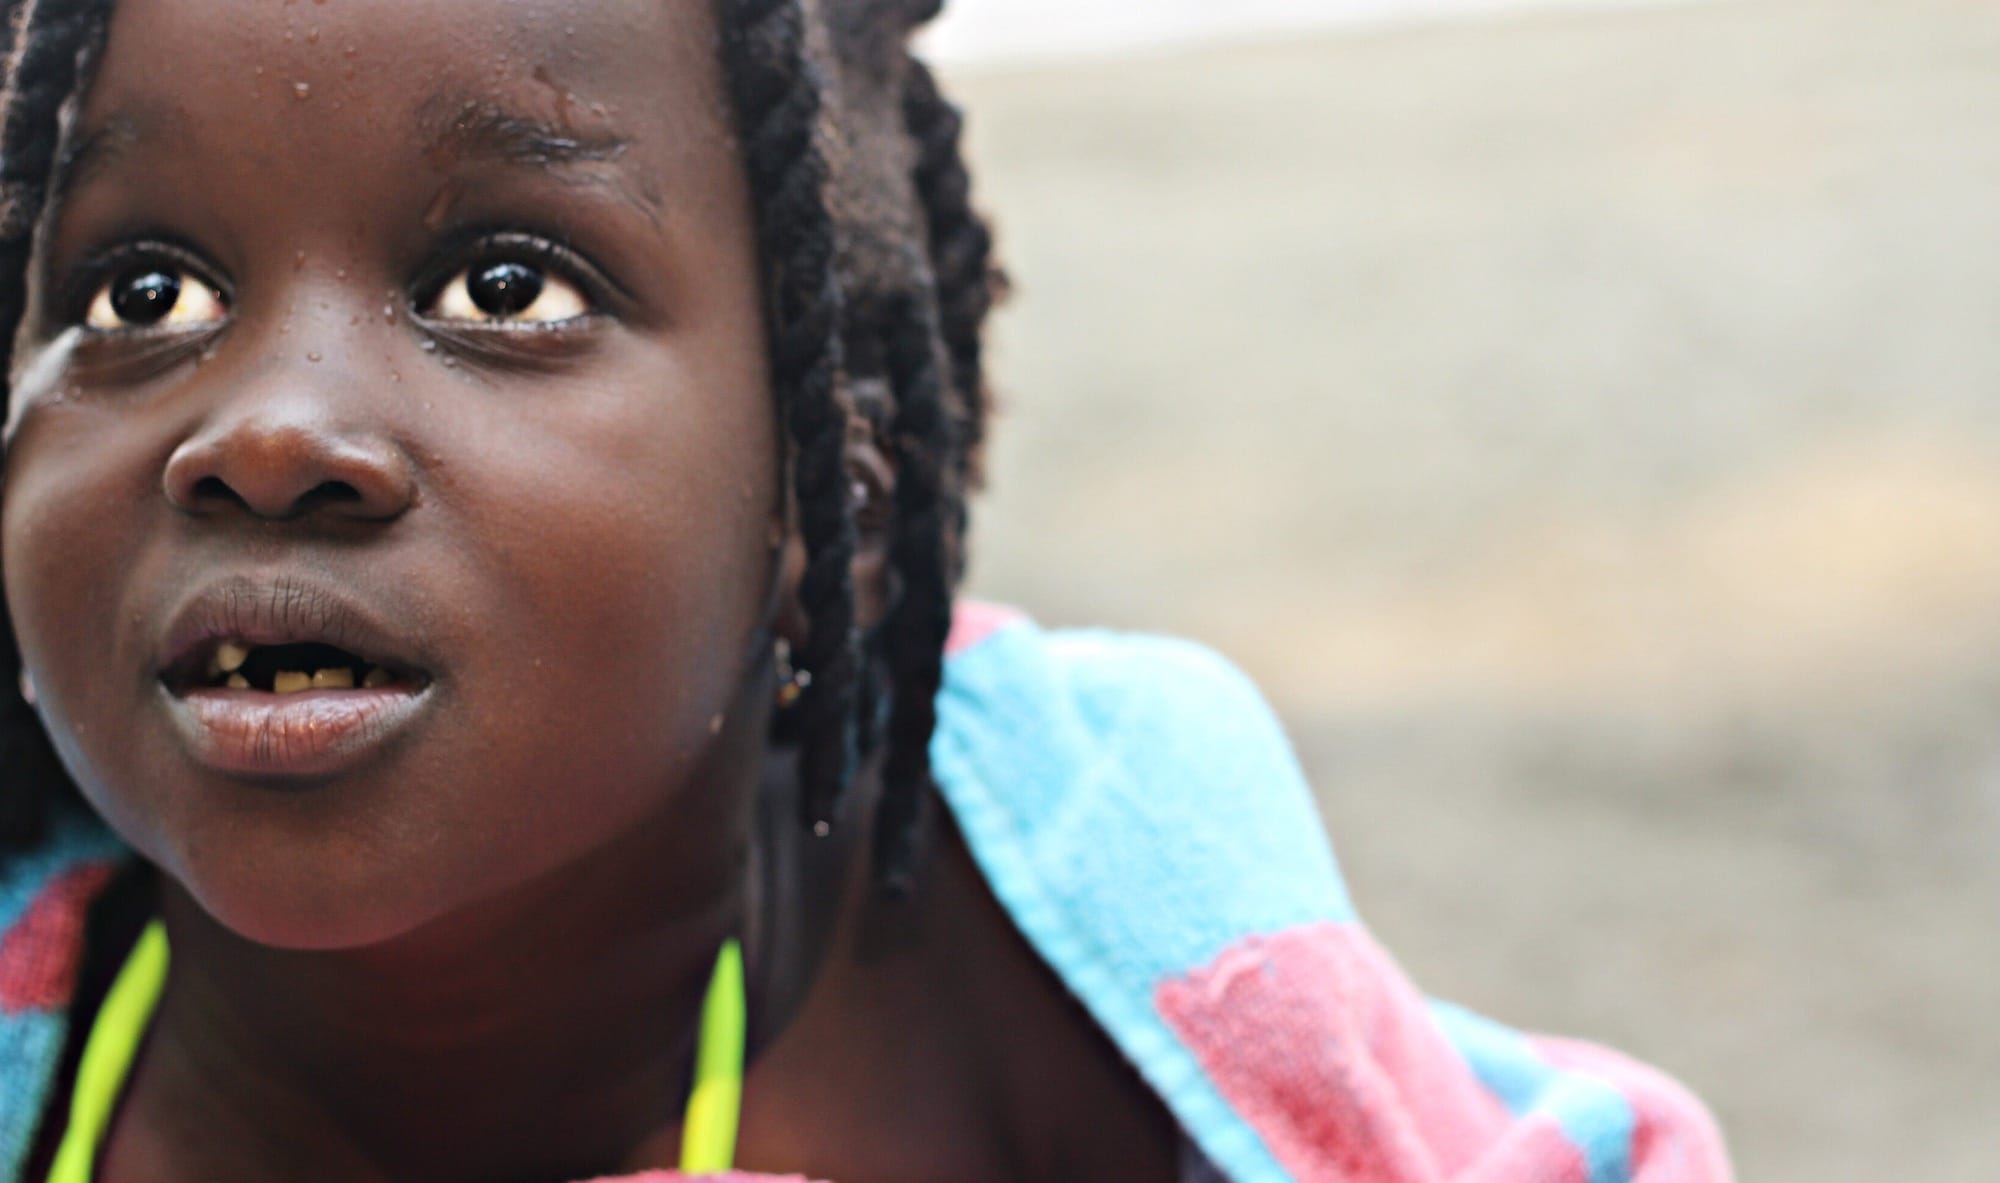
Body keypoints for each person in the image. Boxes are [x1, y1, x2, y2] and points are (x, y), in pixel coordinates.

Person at [0, 1, 1732, 1180]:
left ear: (821, 480)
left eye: (506, 283)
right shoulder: (41, 1027)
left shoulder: (1050, 937)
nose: (272, 428)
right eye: (137, 295)